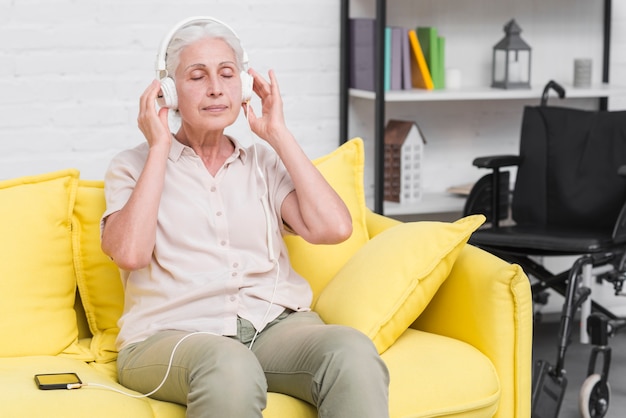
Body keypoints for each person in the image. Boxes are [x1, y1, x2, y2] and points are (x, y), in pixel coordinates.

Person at [100, 17, 390, 418]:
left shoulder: (263, 163)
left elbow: (335, 228)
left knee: (352, 352)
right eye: (197, 76)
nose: (216, 88)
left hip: (272, 328)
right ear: (168, 92)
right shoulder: (132, 166)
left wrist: (278, 134)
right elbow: (129, 253)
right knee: (229, 366)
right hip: (172, 336)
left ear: (243, 86)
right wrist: (158, 147)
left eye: (227, 74)